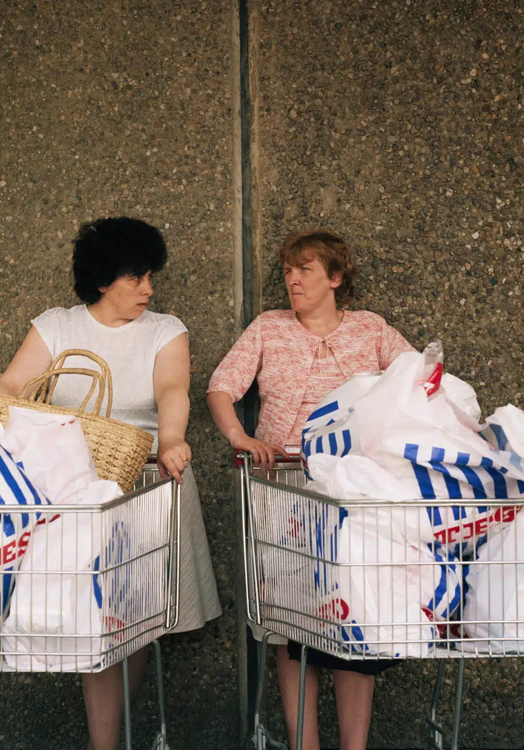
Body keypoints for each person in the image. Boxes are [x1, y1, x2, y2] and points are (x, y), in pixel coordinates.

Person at [0, 217, 222, 750]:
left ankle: (107, 738)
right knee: (91, 614)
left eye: (150, 276)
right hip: (74, 488)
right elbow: (12, 382)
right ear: (101, 280)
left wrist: (171, 439)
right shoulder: (56, 326)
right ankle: (107, 740)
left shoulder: (165, 329)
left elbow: (172, 388)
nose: (148, 288)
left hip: (147, 481)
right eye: (136, 277)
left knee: (131, 617)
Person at [207, 229, 415, 750]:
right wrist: (240, 436)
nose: (293, 280)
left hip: (356, 493)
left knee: (356, 614)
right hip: (285, 488)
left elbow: (418, 380)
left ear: (335, 278)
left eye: (305, 270)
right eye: (288, 271)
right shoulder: (268, 327)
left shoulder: (370, 329)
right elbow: (221, 385)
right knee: (290, 619)